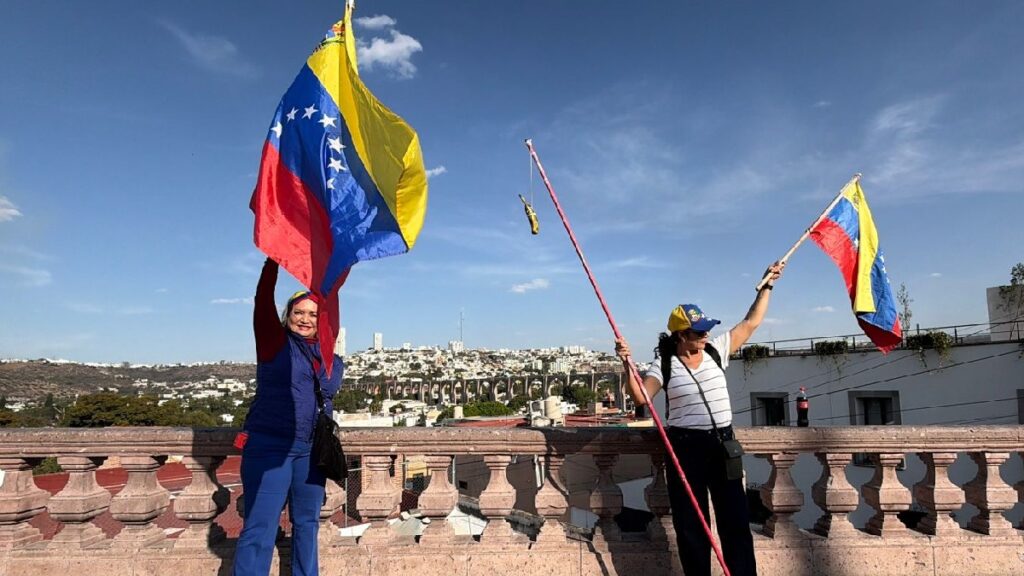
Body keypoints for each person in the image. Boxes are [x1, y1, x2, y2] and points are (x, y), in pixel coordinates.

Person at [614, 262, 784, 576]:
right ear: (681, 335)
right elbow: (640, 397)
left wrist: (767, 287)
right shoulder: (663, 364)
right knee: (691, 526)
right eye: (699, 331)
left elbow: (751, 322)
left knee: (735, 521)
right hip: (685, 447)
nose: (706, 335)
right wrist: (626, 365)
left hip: (722, 443)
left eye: (707, 329)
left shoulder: (717, 350)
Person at [233, 258, 343, 576]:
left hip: (311, 452)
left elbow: (333, 305)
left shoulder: (329, 357)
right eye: (299, 312)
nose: (305, 319)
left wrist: (335, 268)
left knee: (307, 526)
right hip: (270, 447)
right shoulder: (274, 342)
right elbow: (262, 300)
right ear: (288, 315)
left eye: (313, 314)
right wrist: (273, 261)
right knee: (260, 528)